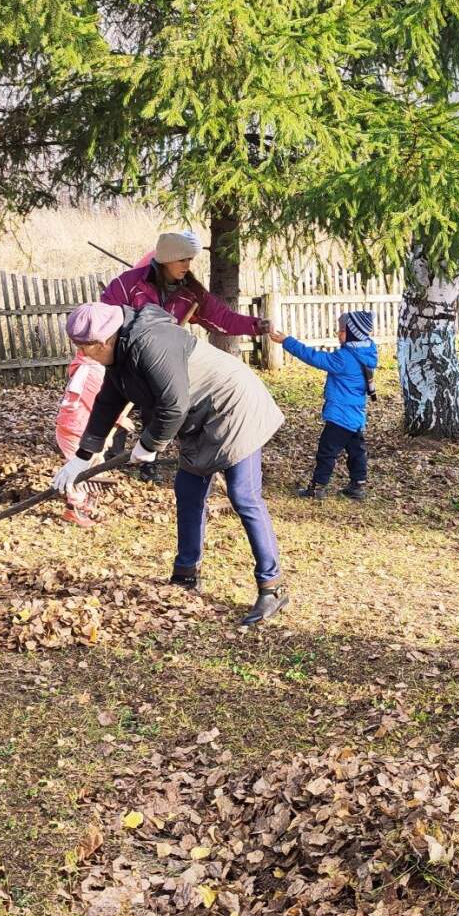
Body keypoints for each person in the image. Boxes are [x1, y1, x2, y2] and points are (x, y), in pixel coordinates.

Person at [51, 302, 287, 624]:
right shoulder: (120, 353)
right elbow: (108, 401)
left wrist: (148, 446)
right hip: (198, 417)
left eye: (84, 348)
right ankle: (186, 574)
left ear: (103, 341)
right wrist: (80, 458)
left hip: (233, 406)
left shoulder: (149, 342)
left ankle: (271, 587)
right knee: (188, 492)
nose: (83, 354)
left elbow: (173, 405)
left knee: (244, 496)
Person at [274, 310, 378, 500]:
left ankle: (317, 487)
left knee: (326, 451)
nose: (338, 334)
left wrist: (286, 341)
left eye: (342, 331)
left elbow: (314, 357)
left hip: (340, 415)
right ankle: (358, 485)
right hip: (356, 414)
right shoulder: (368, 351)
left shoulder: (344, 358)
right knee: (356, 451)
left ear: (353, 333)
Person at [100, 230, 273, 341]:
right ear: (166, 260)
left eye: (189, 260)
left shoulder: (191, 292)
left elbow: (222, 318)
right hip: (128, 360)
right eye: (182, 260)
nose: (187, 265)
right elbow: (105, 317)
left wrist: (256, 325)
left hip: (165, 360)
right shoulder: (128, 284)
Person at [52, 349, 132, 527]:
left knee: (95, 467)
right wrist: (120, 418)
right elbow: (101, 400)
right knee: (79, 470)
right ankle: (74, 508)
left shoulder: (91, 367)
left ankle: (88, 502)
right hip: (74, 428)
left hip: (86, 428)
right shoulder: (92, 371)